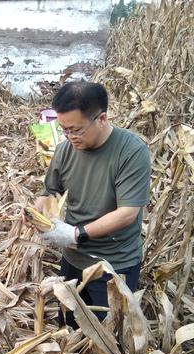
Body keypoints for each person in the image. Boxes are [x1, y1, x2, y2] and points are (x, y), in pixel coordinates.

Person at [33, 81, 151, 327]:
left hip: (112, 266)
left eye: (76, 130)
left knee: (105, 335)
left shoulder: (131, 151)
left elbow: (127, 213)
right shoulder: (66, 149)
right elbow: (51, 190)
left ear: (102, 119)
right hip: (73, 259)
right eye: (64, 129)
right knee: (70, 327)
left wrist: (76, 234)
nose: (69, 137)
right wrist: (39, 212)